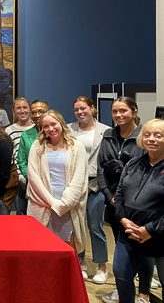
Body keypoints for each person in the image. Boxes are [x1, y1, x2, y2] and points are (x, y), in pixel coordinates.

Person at [97, 97, 151, 303]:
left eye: (123, 111)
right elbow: (101, 168)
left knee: (143, 247)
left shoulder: (143, 136)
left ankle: (144, 294)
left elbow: (148, 172)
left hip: (138, 204)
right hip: (113, 202)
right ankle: (122, 289)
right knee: (122, 248)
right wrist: (110, 198)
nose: (118, 115)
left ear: (134, 112)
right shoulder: (109, 135)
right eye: (114, 111)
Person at [113, 119, 164, 303]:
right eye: (148, 135)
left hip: (159, 237)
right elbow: (119, 195)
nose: (151, 139)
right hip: (128, 233)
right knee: (121, 275)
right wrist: (123, 219)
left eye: (158, 135)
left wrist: (149, 230)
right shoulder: (133, 163)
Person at [27, 110, 88, 254]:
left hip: (68, 206)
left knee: (67, 250)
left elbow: (79, 179)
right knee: (41, 248)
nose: (50, 129)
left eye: (53, 124)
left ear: (61, 123)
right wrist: (52, 202)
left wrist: (64, 204)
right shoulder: (37, 146)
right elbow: (33, 176)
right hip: (43, 205)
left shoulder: (77, 147)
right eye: (45, 126)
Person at [67, 97, 111, 283]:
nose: (80, 112)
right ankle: (81, 261)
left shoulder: (106, 131)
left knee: (95, 226)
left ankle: (102, 267)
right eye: (76, 109)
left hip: (96, 185)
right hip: (75, 185)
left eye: (83, 108)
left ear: (92, 108)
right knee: (76, 226)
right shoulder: (69, 129)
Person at [15, 99, 50, 215]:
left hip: (53, 184)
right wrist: (31, 178)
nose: (37, 115)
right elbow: (22, 161)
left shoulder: (55, 132)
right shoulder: (26, 135)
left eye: (41, 111)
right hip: (32, 184)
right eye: (33, 112)